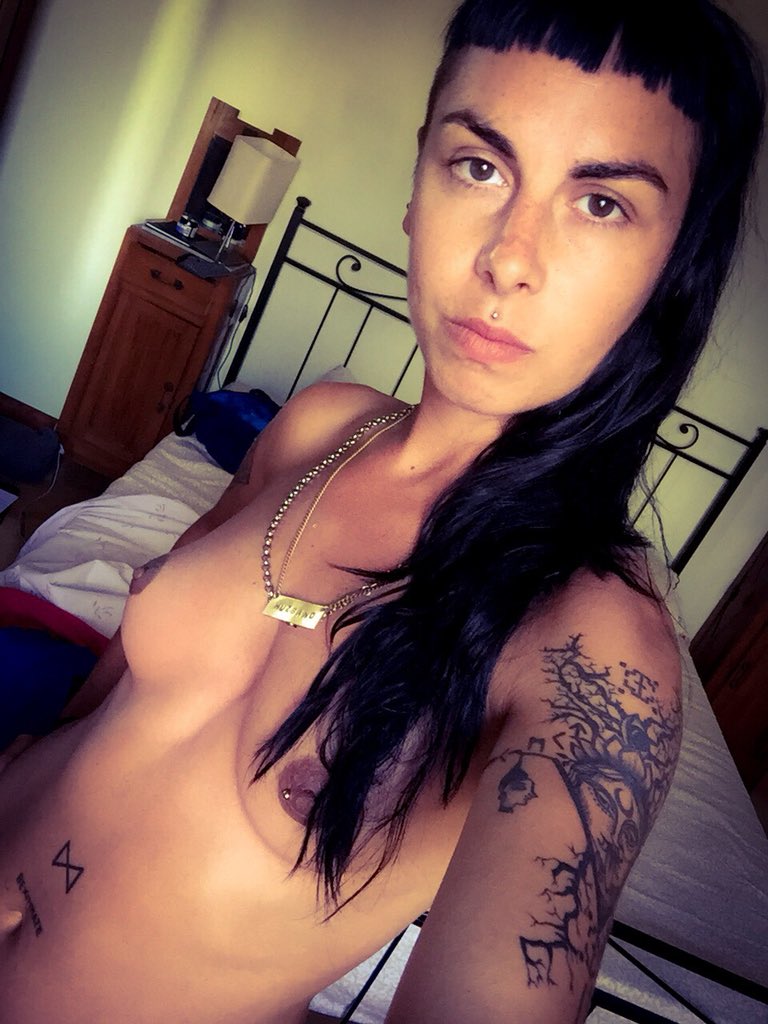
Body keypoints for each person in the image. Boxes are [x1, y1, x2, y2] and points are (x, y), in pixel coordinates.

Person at [1, 1, 764, 1021]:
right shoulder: (321, 424)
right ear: (417, 187)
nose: (509, 257)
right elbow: (123, 679)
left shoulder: (595, 646)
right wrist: (38, 740)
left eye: (600, 204)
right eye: (479, 166)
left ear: (670, 272)